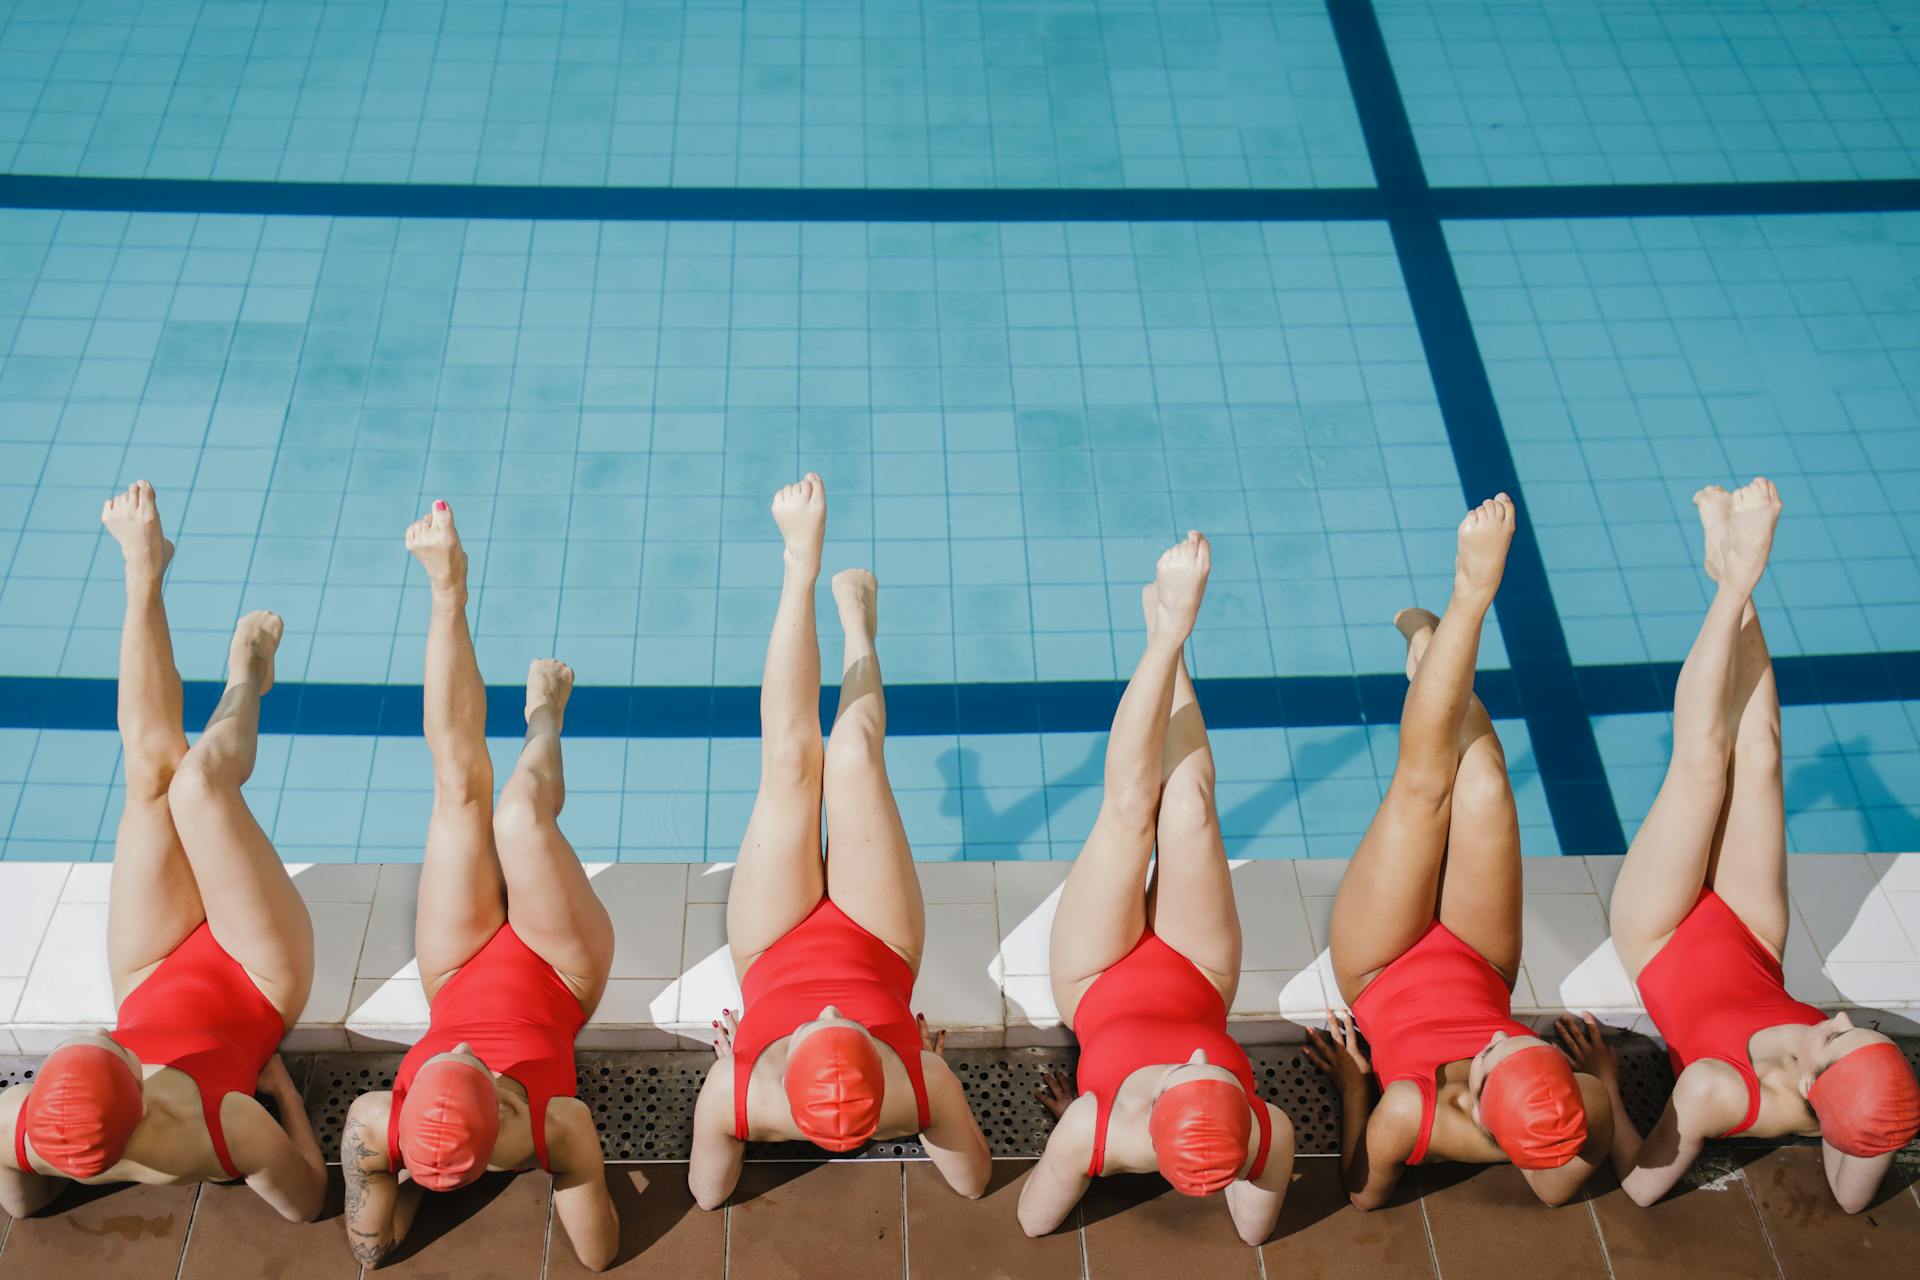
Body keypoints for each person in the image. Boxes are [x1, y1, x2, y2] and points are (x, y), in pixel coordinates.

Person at [1558, 478, 1920, 1213]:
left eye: (1836, 1042)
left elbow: (1641, 1185)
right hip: (1752, 939)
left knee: (1699, 764)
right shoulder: (1849, 1089)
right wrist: (1874, 1124)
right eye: (1863, 1033)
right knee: (1761, 757)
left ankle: (1735, 580)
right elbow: (1854, 1193)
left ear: (1816, 1092)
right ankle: (1735, 579)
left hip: (1658, 936)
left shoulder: (1718, 1094)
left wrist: (1603, 1076)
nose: (1842, 1019)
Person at [0, 482, 326, 1222]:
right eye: (112, 1048)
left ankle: (144, 570)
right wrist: (279, 1097)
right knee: (197, 786)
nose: (101, 1037)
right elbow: (307, 1201)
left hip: (148, 971)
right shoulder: (224, 1131)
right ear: (139, 1088)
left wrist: (51, 1176)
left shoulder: (22, 1125)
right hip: (257, 975)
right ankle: (248, 678)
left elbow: (21, 1207)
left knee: (150, 771)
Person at [687, 474, 991, 1208]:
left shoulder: (744, 1095)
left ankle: (800, 567)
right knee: (853, 748)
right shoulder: (915, 1088)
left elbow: (705, 1194)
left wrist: (728, 1078)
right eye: (848, 1027)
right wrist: (922, 1077)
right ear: (882, 1069)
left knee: (791, 764)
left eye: (807, 1034)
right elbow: (974, 1181)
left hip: (772, 943)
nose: (826, 1011)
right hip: (878, 940)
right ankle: (859, 627)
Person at [1304, 494, 1611, 1209]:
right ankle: (1434, 650)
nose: (1494, 1042)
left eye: (1495, 1055)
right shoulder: (1579, 1104)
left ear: (1475, 1105)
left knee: (1423, 790)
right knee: (1485, 783)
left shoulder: (1413, 1118)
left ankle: (1465, 606)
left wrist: (1356, 1088)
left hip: (1384, 967)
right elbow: (1561, 1187)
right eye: (1526, 1043)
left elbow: (1364, 1195)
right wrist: (1609, 1081)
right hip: (1481, 959)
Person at [340, 501, 618, 1271]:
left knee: (459, 790)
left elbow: (369, 1251)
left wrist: (376, 1175)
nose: (460, 1042)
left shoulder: (374, 1123)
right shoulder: (551, 1127)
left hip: (456, 966)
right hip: (559, 973)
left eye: (440, 1059)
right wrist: (577, 1162)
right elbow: (598, 1257)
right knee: (520, 816)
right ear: (502, 1113)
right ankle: (544, 724)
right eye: (484, 1073)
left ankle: (447, 594)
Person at [1019, 532, 1296, 1245]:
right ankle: (1170, 638)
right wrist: (1235, 1166)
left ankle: (1165, 635)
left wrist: (1075, 1147)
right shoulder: (1265, 1132)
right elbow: (1254, 1234)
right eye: (1223, 1078)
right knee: (1193, 806)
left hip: (1097, 975)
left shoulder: (1097, 1129)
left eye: (1185, 1077)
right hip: (1197, 973)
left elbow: (1031, 1222)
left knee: (1129, 811)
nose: (1205, 1056)